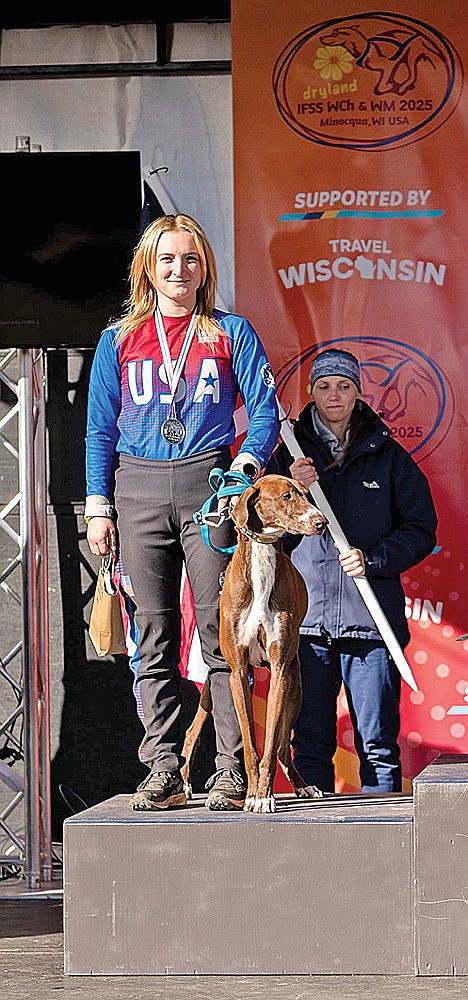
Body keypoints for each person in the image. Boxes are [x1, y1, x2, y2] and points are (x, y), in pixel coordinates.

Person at [84, 213, 280, 811]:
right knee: (154, 635)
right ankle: (164, 767)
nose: (179, 270)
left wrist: (243, 472)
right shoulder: (119, 337)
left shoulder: (229, 332)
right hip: (137, 488)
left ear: (205, 268)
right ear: (148, 267)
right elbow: (98, 428)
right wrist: (99, 507)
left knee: (225, 640)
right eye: (167, 259)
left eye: (190, 259)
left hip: (210, 483)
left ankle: (229, 770)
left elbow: (266, 413)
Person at [267, 348, 437, 794]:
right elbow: (262, 530)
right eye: (324, 386)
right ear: (311, 392)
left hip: (371, 626)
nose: (334, 395)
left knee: (379, 747)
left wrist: (374, 558)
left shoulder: (387, 455)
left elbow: (421, 529)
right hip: (305, 624)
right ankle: (318, 852)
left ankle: (385, 852)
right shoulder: (289, 454)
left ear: (359, 392)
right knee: (309, 746)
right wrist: (293, 490)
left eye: (344, 386)